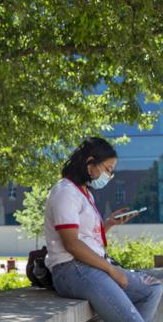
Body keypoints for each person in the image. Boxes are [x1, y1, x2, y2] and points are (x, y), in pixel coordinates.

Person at [44, 137, 162, 322]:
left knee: (153, 288)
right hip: (71, 268)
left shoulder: (84, 193)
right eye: (108, 169)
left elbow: (86, 237)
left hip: (92, 266)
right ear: (90, 163)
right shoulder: (65, 191)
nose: (109, 176)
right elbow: (72, 244)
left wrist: (109, 224)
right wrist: (112, 270)